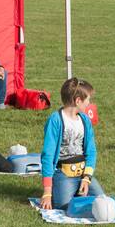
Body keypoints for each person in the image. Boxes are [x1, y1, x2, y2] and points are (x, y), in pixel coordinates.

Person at [39, 77, 105, 210]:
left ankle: (77, 192)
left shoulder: (85, 120)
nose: (89, 102)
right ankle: (61, 191)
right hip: (63, 174)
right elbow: (48, 156)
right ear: (78, 101)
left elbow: (91, 151)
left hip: (82, 174)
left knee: (102, 202)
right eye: (88, 99)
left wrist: (86, 178)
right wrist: (47, 191)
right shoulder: (55, 120)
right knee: (65, 206)